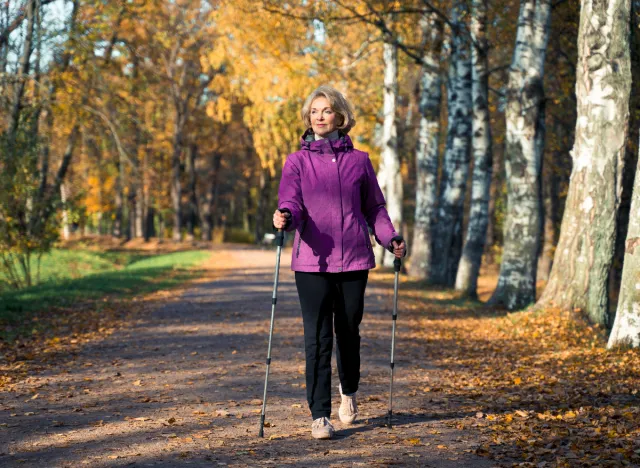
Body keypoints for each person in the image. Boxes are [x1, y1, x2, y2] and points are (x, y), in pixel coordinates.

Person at [273, 85, 406, 440]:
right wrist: (286, 214)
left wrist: (389, 236)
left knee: (347, 332)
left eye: (326, 110)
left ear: (340, 116)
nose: (319, 116)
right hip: (312, 262)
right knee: (316, 339)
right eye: (314, 111)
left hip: (353, 262)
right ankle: (319, 414)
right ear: (308, 117)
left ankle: (349, 392)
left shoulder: (359, 161)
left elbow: (374, 207)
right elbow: (292, 200)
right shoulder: (296, 161)